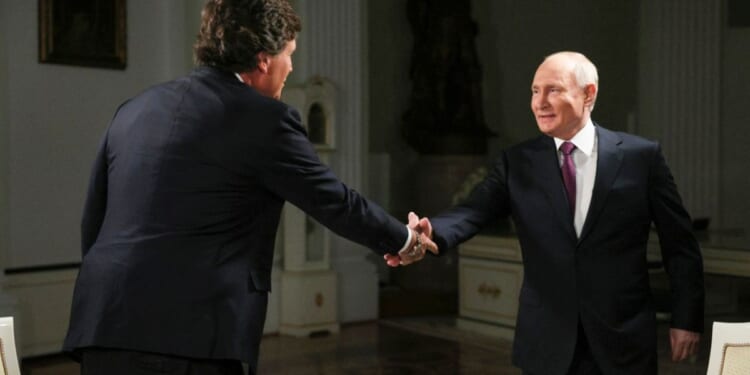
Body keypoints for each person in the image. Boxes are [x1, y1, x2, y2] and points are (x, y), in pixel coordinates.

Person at [63, 1, 435, 374]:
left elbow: (93, 220)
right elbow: (335, 201)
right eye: (289, 55)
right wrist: (405, 240)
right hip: (192, 336)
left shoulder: (133, 109)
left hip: (104, 321)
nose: (290, 67)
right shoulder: (264, 119)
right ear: (263, 60)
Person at [387, 51, 705, 374]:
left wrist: (686, 319)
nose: (540, 102)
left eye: (553, 90)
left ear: (588, 93)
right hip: (546, 342)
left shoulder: (641, 157)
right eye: (535, 91)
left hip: (623, 341)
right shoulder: (518, 162)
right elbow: (472, 211)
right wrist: (431, 232)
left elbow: (680, 245)